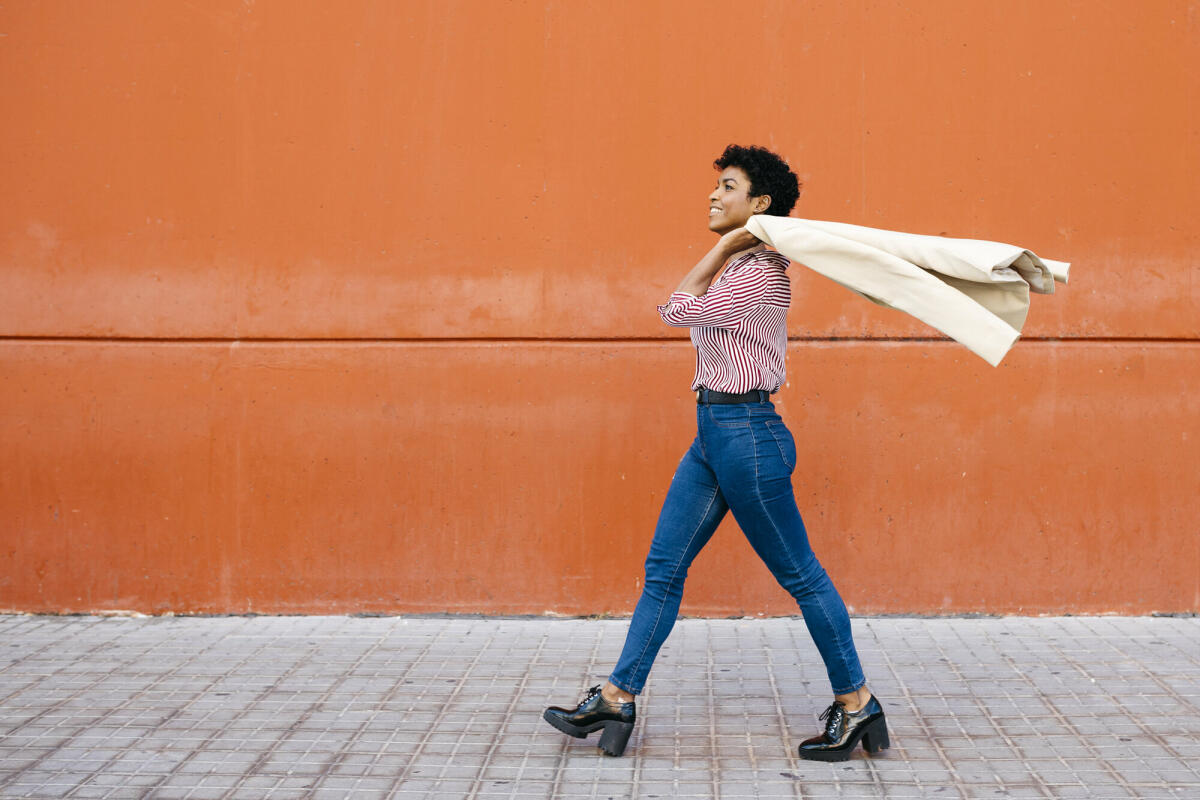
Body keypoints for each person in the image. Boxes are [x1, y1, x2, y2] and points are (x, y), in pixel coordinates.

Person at [542, 145, 890, 762]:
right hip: (714, 436)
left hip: (747, 437)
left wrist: (727, 248)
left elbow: (675, 306)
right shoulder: (741, 265)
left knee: (801, 576)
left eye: (727, 187)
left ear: (759, 205)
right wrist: (727, 248)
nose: (712, 195)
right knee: (663, 569)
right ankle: (618, 696)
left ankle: (857, 703)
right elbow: (682, 302)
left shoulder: (760, 271)